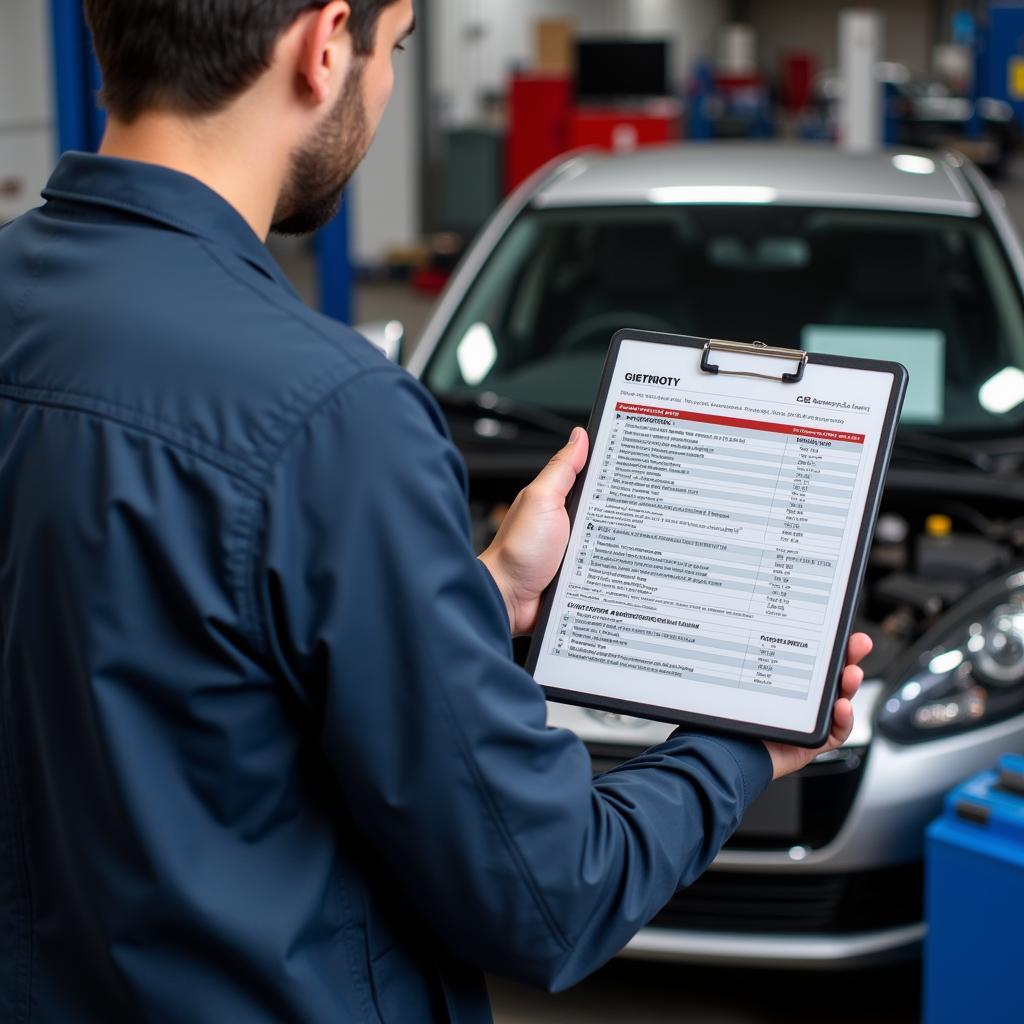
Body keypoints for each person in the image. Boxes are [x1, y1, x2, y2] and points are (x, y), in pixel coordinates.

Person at [0, 2, 870, 1021]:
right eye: (396, 47)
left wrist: (478, 594)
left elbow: (152, 649)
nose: (384, 86)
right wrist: (745, 745)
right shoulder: (329, 415)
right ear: (325, 46)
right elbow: (550, 897)